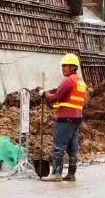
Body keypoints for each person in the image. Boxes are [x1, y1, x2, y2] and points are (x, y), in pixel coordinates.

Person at [40, 53, 87, 182]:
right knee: (73, 147)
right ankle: (71, 173)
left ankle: (56, 173)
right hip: (77, 118)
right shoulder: (81, 82)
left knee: (58, 146)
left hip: (66, 118)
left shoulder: (69, 80)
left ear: (73, 67)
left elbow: (56, 97)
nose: (63, 68)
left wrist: (45, 94)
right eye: (62, 66)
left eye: (65, 66)